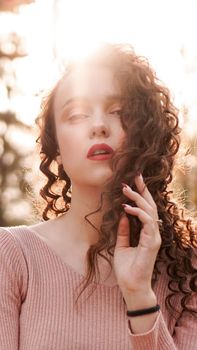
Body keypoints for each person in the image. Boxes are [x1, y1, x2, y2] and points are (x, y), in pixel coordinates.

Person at [0, 43, 196, 350]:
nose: (99, 126)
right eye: (76, 115)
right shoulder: (12, 256)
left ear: (144, 131)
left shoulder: (187, 274)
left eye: (118, 111)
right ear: (57, 148)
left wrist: (139, 296)